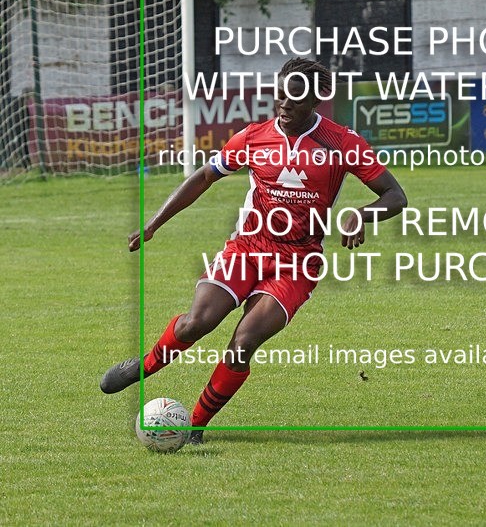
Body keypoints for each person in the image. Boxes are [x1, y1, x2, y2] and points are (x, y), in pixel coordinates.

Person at [101, 58, 407, 443]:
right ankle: (142, 367)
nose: (284, 103)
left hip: (297, 264)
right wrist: (154, 224)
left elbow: (395, 196)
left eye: (295, 97)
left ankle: (194, 427)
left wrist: (363, 215)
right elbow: (204, 177)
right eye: (280, 94)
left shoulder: (342, 143)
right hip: (247, 248)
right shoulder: (253, 137)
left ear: (316, 99)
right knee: (198, 322)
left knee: (243, 342)